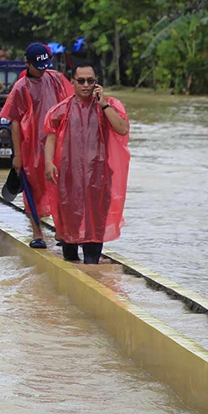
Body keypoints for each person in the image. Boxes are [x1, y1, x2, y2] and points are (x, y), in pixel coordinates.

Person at [43, 62, 130, 263]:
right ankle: (71, 265)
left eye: (90, 81)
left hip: (99, 176)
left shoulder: (110, 106)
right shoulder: (61, 110)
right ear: (72, 82)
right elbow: (51, 136)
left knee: (95, 224)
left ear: (96, 83)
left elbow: (122, 129)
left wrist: (104, 104)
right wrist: (48, 162)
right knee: (68, 224)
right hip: (68, 176)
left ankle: (92, 266)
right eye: (81, 81)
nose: (85, 85)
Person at [0, 42, 75, 248]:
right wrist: (17, 155)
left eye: (45, 66)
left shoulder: (56, 79)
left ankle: (61, 231)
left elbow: (70, 103)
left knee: (59, 186)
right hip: (31, 145)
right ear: (28, 64)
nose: (42, 71)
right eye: (37, 67)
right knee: (32, 187)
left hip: (56, 142)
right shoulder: (21, 87)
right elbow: (14, 120)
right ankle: (37, 233)